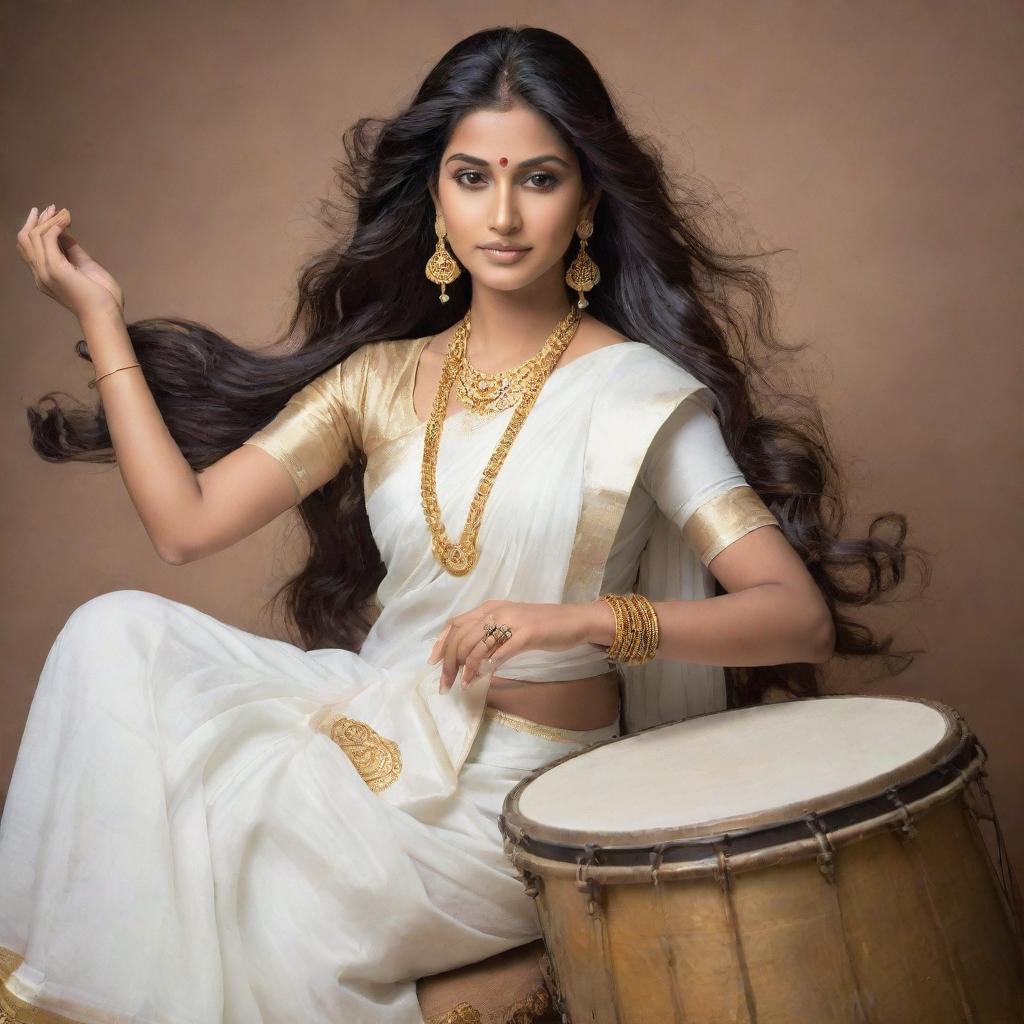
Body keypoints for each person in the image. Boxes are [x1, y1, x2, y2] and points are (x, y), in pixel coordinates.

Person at [2, 25, 927, 1024]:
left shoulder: (635, 394)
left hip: (516, 798)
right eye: (470, 177)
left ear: (587, 201)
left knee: (225, 848)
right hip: (376, 722)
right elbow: (183, 526)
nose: (502, 214)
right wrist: (100, 319)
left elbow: (794, 616)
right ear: (434, 199)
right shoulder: (380, 381)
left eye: (537, 179)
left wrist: (578, 621)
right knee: (114, 636)